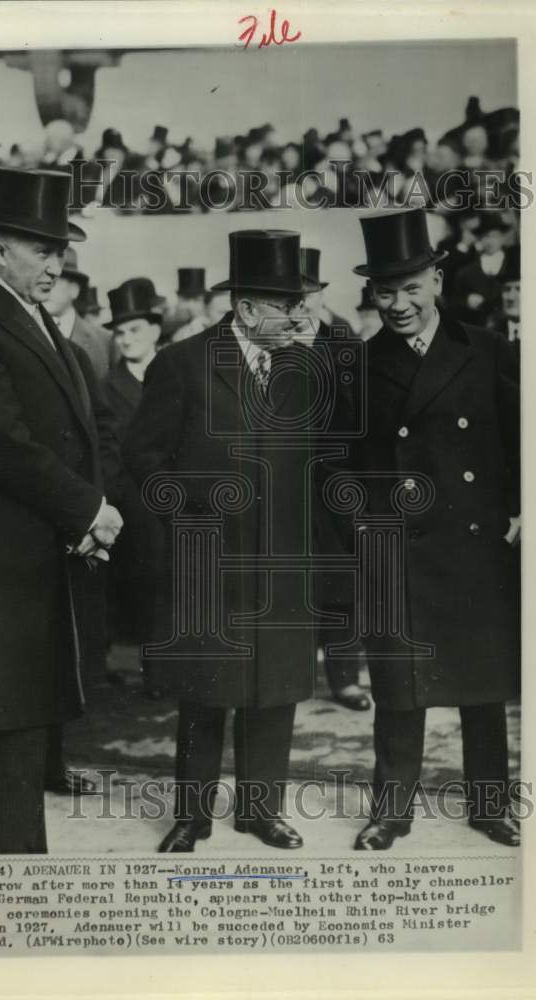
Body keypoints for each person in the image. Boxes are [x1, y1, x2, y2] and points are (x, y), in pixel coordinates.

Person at [0, 167, 124, 853]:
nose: (55, 263)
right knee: (4, 734)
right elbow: (3, 445)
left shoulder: (31, 321)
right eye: (42, 249)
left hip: (32, 562)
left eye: (60, 250)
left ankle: (17, 879)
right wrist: (88, 510)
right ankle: (8, 893)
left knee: (24, 729)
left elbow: (80, 426)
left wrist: (86, 511)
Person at [124, 229, 347, 852]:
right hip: (209, 566)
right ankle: (192, 815)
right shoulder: (182, 363)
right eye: (285, 305)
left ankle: (260, 810)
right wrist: (186, 521)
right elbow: (141, 459)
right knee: (204, 693)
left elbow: (325, 461)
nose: (299, 314)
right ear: (246, 308)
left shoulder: (309, 368)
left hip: (283, 566)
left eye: (300, 303)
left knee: (274, 691)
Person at [340, 207, 520, 850]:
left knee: (483, 685)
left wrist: (521, 515)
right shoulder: (359, 367)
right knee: (397, 689)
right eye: (385, 292)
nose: (399, 304)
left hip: (474, 544)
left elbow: (522, 440)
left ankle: (490, 803)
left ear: (437, 282)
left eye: (411, 288)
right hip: (397, 550)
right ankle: (392, 810)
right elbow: (345, 469)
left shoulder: (487, 350)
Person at [295, 248, 370, 712]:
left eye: (309, 295)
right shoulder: (269, 345)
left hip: (334, 482)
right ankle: (293, 672)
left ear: (322, 296)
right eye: (292, 297)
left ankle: (344, 677)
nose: (301, 306)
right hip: (282, 483)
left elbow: (361, 420)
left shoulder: (344, 344)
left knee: (340, 585)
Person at [102, 280, 166, 688]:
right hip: (137, 506)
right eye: (120, 333)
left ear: (156, 330)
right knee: (148, 589)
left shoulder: (177, 371)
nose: (126, 340)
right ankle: (156, 672)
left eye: (135, 330)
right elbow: (109, 455)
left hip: (182, 499)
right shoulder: (107, 388)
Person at [43, 247, 111, 380]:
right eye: (42, 281)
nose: (46, 287)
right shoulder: (25, 331)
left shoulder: (105, 340)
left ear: (74, 289)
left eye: (54, 281)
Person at [452, 213, 512, 324]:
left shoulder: (513, 264)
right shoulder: (466, 271)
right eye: (485, 236)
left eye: (495, 236)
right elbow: (455, 301)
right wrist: (467, 301)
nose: (490, 241)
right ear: (480, 238)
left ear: (502, 237)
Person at [170, 268, 209, 342]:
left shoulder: (209, 325)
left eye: (196, 300)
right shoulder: (178, 331)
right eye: (185, 300)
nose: (190, 306)